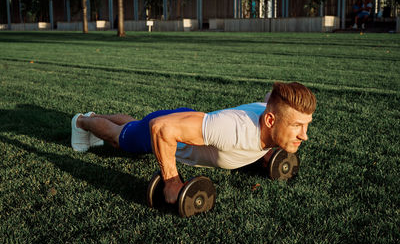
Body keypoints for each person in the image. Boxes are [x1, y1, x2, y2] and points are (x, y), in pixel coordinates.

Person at [71, 82, 316, 204]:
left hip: (196, 123)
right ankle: (83, 121)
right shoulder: (232, 130)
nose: (304, 135)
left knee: (135, 124)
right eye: (297, 126)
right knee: (120, 139)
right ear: (270, 120)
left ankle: (104, 120)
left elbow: (268, 99)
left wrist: (264, 153)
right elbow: (161, 128)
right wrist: (171, 181)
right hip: (174, 134)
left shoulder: (270, 114)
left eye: (306, 125)